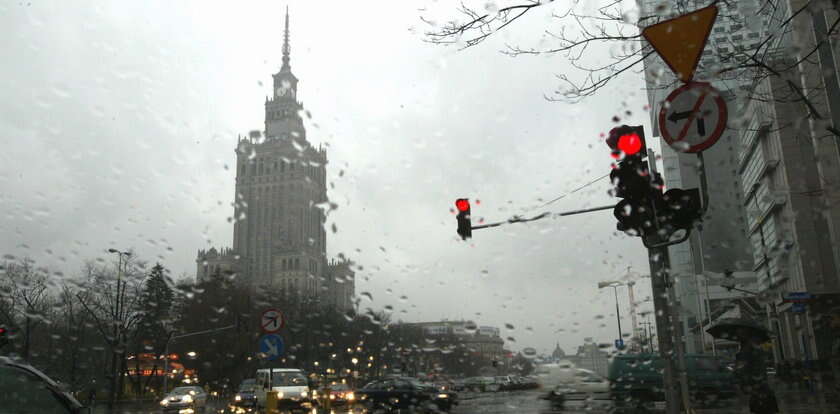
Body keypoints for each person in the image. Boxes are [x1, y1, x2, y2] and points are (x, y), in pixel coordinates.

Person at [735, 336, 778, 414]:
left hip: (759, 384)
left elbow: (741, 370)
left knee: (763, 404)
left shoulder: (757, 352)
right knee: (762, 404)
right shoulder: (746, 353)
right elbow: (742, 370)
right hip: (756, 384)